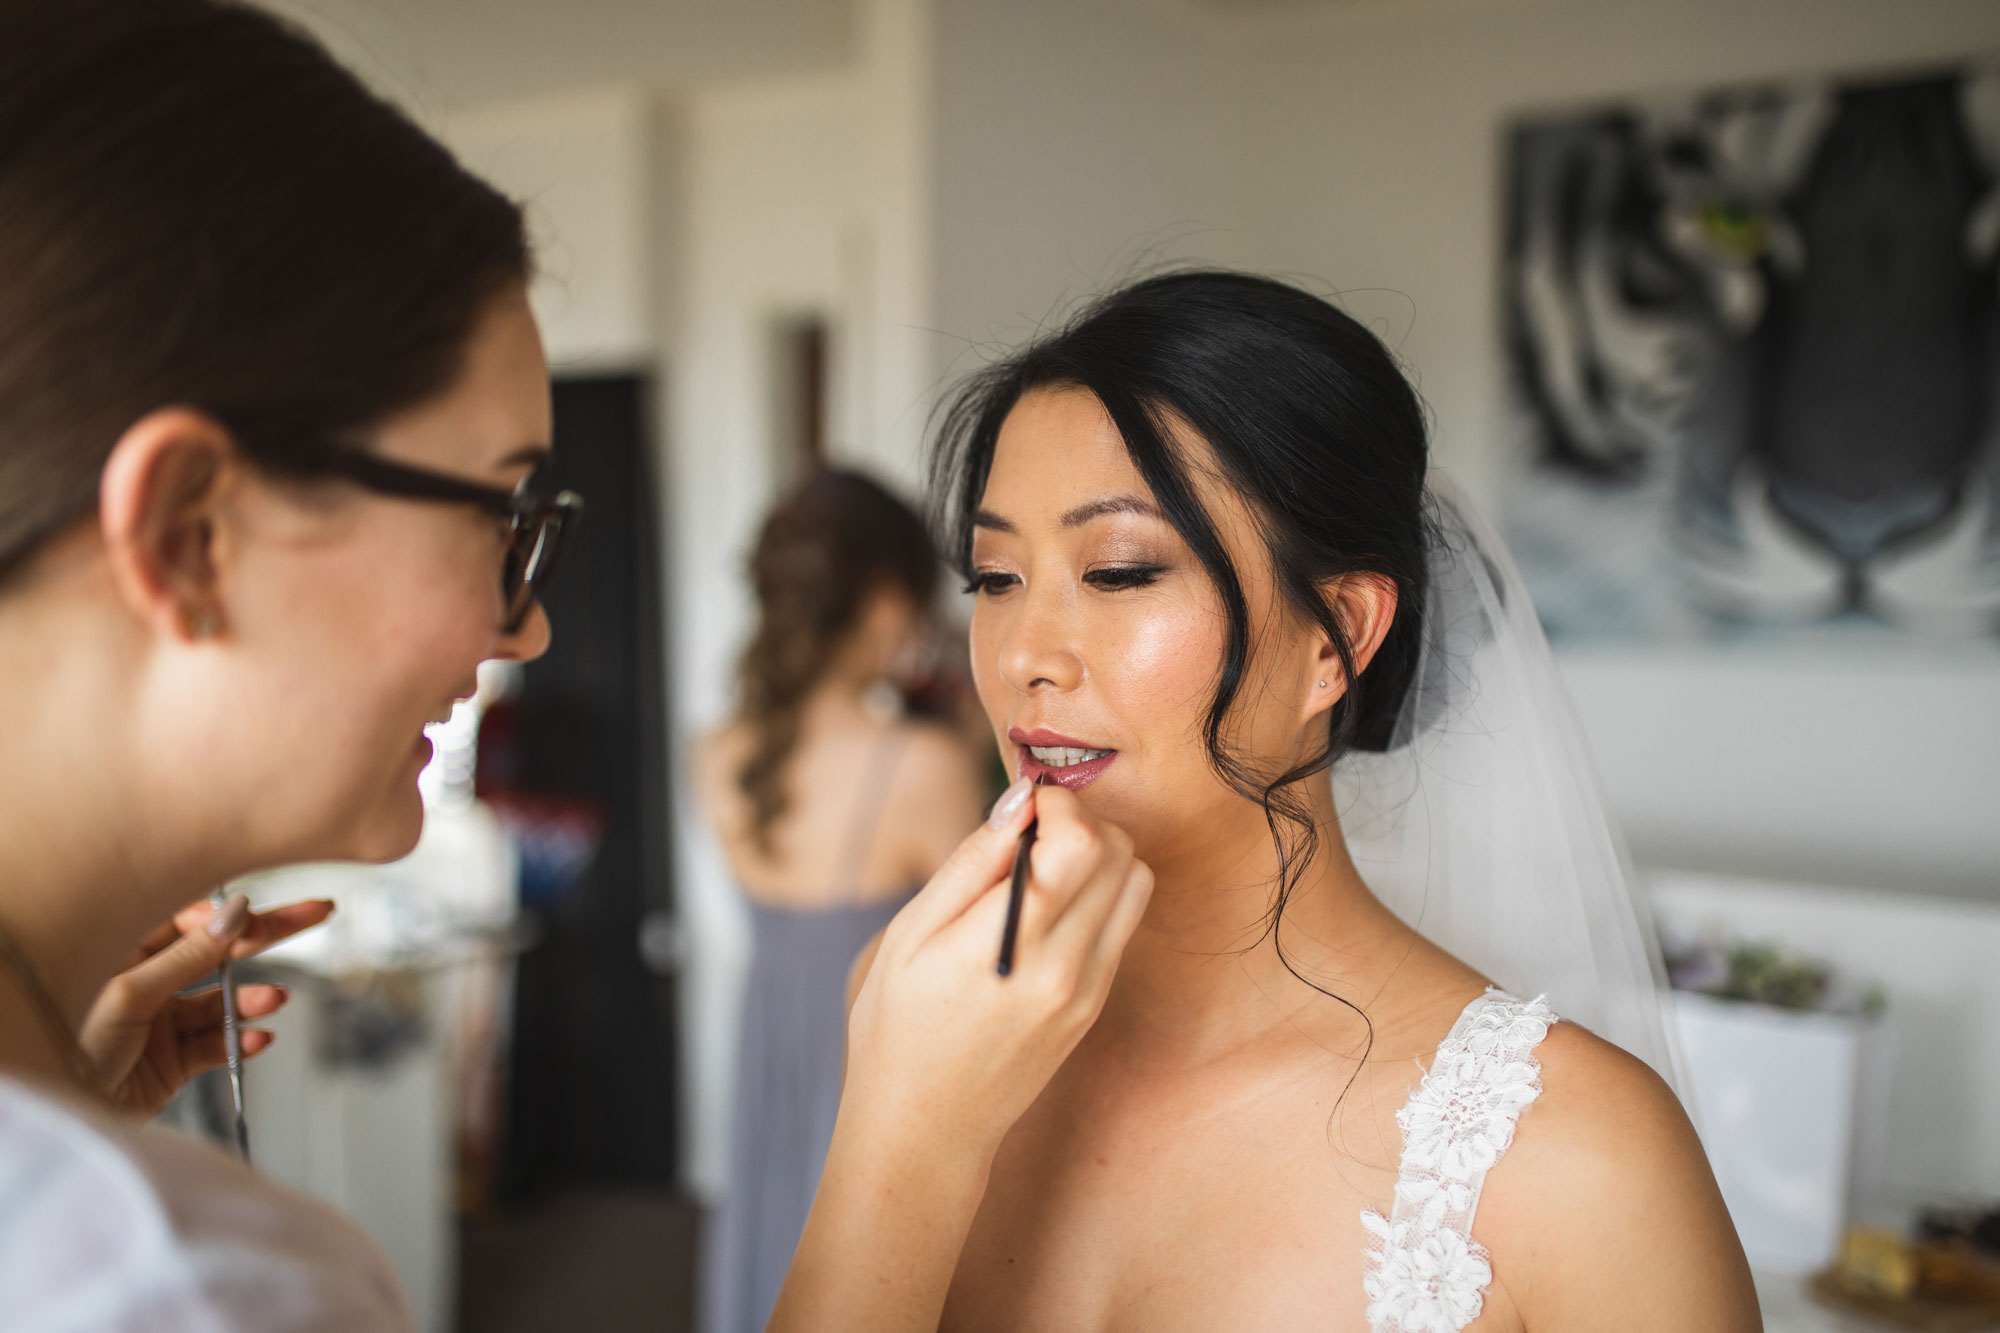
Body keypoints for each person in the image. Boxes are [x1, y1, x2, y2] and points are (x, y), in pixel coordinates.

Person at [0, 3, 1150, 1327]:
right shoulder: (180, 1285)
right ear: (191, 533)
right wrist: (906, 1145)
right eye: (500, 515)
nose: (529, 628)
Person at [838, 269, 1763, 1331]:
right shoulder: (913, 1006)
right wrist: (907, 1128)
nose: (1024, 659)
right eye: (995, 579)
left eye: (1123, 570)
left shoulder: (1580, 1158)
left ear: (1336, 638)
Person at [695, 469, 987, 1333]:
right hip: (869, 1063)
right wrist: (972, 747)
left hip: (766, 1054)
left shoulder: (711, 753)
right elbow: (982, 951)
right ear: (888, 599)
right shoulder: (922, 763)